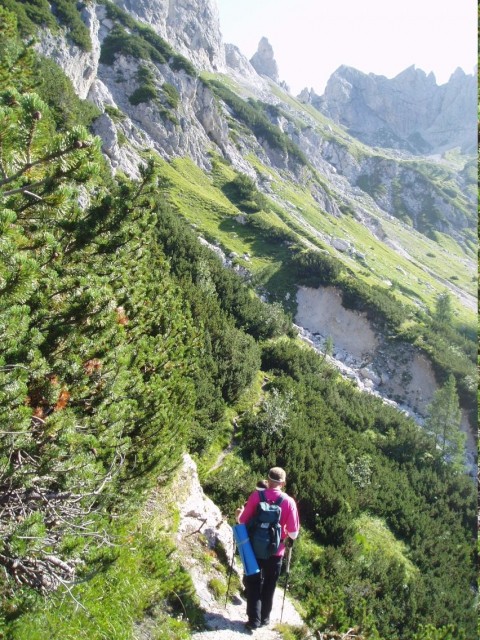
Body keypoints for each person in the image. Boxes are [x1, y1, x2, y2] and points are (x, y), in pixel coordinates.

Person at [235, 467, 300, 632]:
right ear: (283, 483)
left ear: (268, 480)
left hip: (255, 549)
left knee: (253, 583)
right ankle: (264, 619)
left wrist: (240, 514)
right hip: (275, 551)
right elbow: (293, 533)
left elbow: (242, 520)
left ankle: (253, 620)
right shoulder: (288, 502)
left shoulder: (257, 496)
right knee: (270, 584)